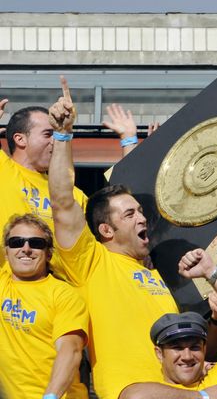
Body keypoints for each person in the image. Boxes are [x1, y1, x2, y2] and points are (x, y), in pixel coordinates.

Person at [47, 77, 179, 399]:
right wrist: (64, 136)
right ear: (106, 230)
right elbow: (63, 202)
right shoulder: (91, 262)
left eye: (140, 212)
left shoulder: (155, 268)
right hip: (126, 392)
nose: (142, 217)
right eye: (130, 214)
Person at [120, 249, 217, 398]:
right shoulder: (154, 391)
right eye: (177, 348)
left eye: (195, 347)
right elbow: (133, 396)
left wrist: (210, 271)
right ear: (159, 354)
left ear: (204, 348)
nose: (187, 356)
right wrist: (203, 396)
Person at [0, 214, 88, 399]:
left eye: (36, 243)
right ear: (6, 252)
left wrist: (51, 396)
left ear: (48, 253)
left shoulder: (64, 294)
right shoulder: (3, 282)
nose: (26, 249)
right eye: (16, 242)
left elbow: (70, 349)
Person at [0, 93, 87, 267]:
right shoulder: (3, 169)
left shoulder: (76, 197)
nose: (55, 142)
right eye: (48, 134)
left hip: (57, 288)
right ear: (20, 139)